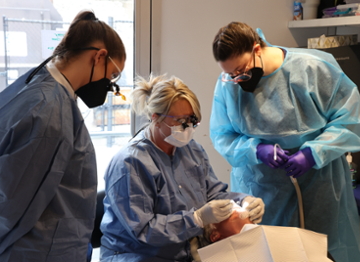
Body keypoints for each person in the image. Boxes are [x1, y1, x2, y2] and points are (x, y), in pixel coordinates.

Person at [210, 21, 360, 262]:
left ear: (257, 48)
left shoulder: (314, 68)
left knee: (322, 252)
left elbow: (350, 121)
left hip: (320, 186)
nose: (238, 80)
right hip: (261, 189)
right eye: (231, 75)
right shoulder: (228, 85)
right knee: (268, 251)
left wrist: (314, 153)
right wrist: (255, 149)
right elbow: (222, 135)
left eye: (241, 71)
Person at [0, 10, 126, 262]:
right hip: (38, 250)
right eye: (111, 76)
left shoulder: (37, 83)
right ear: (99, 56)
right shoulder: (49, 110)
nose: (109, 86)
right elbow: (13, 206)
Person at [99, 74, 265, 262]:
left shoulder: (191, 150)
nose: (188, 128)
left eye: (192, 120)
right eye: (181, 121)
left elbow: (212, 194)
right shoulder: (131, 164)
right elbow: (144, 230)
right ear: (156, 118)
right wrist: (195, 220)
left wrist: (244, 201)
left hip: (184, 253)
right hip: (139, 255)